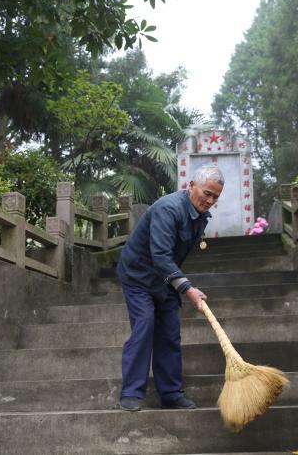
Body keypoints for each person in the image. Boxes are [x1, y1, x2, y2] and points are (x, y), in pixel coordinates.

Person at [116, 163, 225, 412]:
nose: (210, 200)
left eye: (215, 197)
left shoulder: (200, 215)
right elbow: (161, 256)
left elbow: (171, 258)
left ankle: (171, 394)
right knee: (145, 324)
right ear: (191, 186)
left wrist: (176, 285)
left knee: (170, 332)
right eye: (206, 193)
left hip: (164, 279)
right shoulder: (169, 208)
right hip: (138, 275)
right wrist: (188, 288)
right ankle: (131, 393)